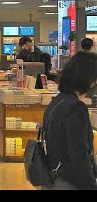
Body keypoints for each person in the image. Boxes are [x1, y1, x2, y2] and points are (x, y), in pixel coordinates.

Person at [41, 51, 97, 190]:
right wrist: (90, 184)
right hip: (69, 181)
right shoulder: (76, 108)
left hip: (52, 177)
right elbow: (79, 152)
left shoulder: (57, 102)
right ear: (89, 79)